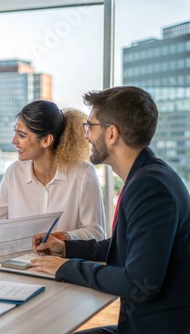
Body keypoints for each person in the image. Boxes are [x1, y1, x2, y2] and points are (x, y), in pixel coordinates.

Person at [31, 86, 190, 333]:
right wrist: (67, 248)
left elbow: (138, 282)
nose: (86, 136)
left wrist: (67, 268)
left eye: (90, 127)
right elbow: (131, 246)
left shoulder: (149, 187)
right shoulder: (151, 176)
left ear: (112, 133)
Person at [0, 100, 106, 242]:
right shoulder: (14, 172)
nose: (14, 140)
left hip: (62, 262)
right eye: (15, 132)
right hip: (16, 261)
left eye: (22, 135)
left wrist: (62, 237)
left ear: (46, 140)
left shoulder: (83, 174)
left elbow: (96, 233)